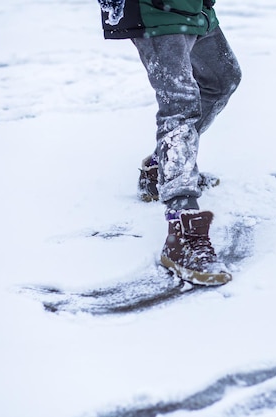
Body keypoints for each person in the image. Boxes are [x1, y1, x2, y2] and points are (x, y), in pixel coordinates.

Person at [97, 0, 242, 285]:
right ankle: (182, 230)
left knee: (222, 79)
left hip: (193, 6)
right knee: (180, 105)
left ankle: (159, 169)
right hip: (156, 9)